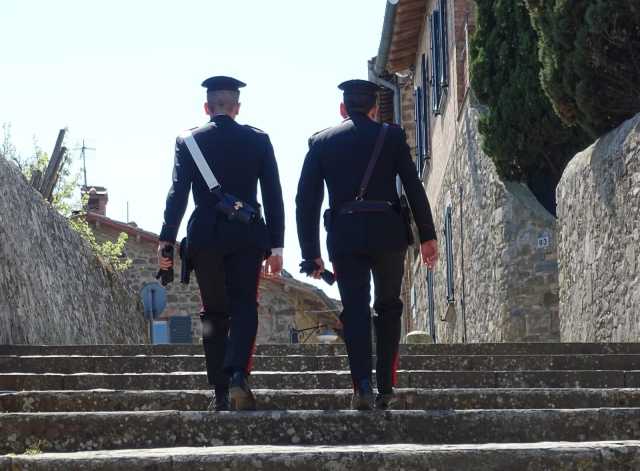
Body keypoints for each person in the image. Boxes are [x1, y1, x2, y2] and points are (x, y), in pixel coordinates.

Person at [295, 79, 438, 410]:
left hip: (344, 237)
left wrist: (310, 253)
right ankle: (386, 386)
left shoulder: (321, 142)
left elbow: (307, 200)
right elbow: (414, 187)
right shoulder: (392, 137)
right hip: (388, 233)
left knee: (355, 310)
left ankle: (361, 385)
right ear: (374, 109)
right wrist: (427, 235)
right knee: (388, 306)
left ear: (342, 109)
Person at [158, 76, 285, 411]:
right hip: (246, 235)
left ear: (207, 107)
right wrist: (276, 247)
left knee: (213, 312)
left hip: (206, 237)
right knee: (245, 305)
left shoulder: (189, 141)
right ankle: (238, 375)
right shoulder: (258, 140)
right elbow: (273, 195)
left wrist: (167, 239)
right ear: (237, 107)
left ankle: (220, 392)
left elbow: (178, 194)